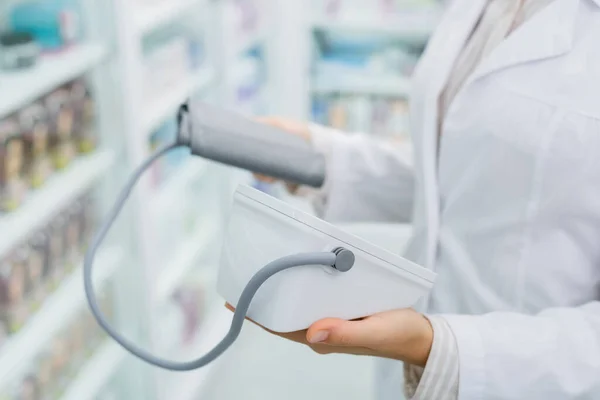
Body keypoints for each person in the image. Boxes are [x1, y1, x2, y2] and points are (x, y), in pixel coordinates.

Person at [248, 0, 600, 399]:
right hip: (414, 356)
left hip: (526, 380)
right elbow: (462, 173)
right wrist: (321, 159)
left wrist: (444, 349)